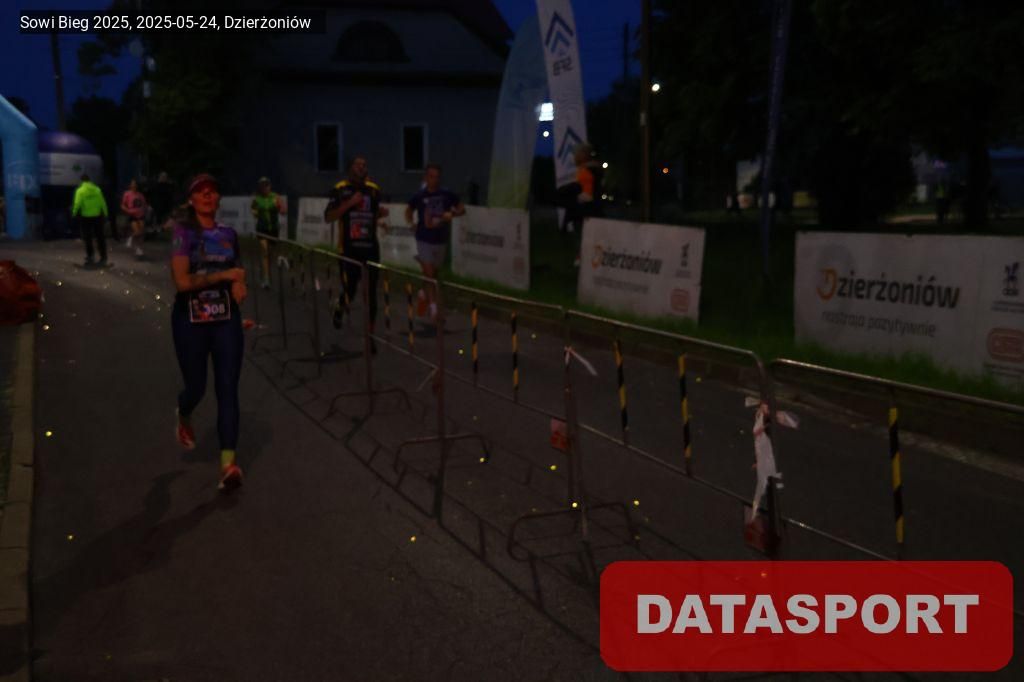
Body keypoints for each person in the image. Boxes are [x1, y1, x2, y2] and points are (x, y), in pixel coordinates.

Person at [170, 173, 247, 491]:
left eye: (212, 191)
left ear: (218, 199)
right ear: (191, 199)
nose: (207, 195)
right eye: (200, 191)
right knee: (197, 386)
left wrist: (239, 284)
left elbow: (237, 271)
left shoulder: (228, 234)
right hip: (190, 320)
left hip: (225, 319)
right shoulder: (183, 232)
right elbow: (182, 282)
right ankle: (184, 411)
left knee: (227, 388)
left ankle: (228, 464)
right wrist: (223, 277)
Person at [323, 156, 388, 338]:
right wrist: (349, 203)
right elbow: (328, 217)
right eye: (357, 165)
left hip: (370, 249)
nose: (362, 167)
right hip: (348, 250)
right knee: (350, 290)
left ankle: (370, 336)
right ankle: (339, 308)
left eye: (364, 165)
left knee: (371, 293)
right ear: (350, 169)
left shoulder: (373, 190)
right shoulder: (340, 189)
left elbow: (371, 214)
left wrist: (380, 215)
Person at [405, 163, 464, 320]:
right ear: (426, 178)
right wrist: (411, 223)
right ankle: (433, 308)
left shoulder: (447, 194)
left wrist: (452, 214)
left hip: (440, 239)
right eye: (431, 176)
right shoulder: (420, 195)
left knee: (432, 273)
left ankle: (423, 292)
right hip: (423, 238)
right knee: (430, 273)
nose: (434, 180)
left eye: (437, 177)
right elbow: (408, 210)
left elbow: (461, 208)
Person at [251, 176, 285, 289]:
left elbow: (283, 210)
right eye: (263, 186)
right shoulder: (257, 199)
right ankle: (266, 279)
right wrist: (255, 212)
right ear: (260, 187)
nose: (265, 188)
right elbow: (253, 209)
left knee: (270, 254)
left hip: (273, 229)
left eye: (267, 185)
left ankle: (265, 270)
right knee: (264, 251)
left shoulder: (275, 197)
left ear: (270, 186)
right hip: (262, 229)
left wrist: (280, 208)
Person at [72, 173, 109, 267]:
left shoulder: (80, 191)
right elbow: (102, 202)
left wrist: (74, 213)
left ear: (81, 181)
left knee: (87, 237)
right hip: (97, 216)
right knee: (100, 237)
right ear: (89, 180)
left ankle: (91, 256)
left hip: (86, 217)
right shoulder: (97, 189)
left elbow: (77, 203)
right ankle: (103, 257)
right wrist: (105, 213)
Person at [121, 179, 148, 258]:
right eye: (132, 184)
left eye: (135, 184)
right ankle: (130, 238)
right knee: (137, 231)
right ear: (130, 185)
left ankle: (139, 249)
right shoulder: (127, 194)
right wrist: (127, 210)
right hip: (132, 215)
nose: (134, 186)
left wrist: (145, 210)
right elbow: (123, 205)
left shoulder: (140, 195)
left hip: (141, 215)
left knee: (141, 232)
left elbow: (144, 204)